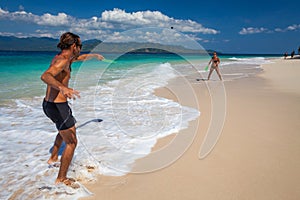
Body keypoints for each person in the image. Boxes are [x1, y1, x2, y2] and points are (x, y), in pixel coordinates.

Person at [41, 32, 104, 186]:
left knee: (65, 128)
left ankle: (53, 157)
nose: (81, 49)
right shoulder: (62, 61)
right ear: (74, 46)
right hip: (58, 106)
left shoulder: (64, 58)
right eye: (80, 46)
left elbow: (79, 58)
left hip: (50, 105)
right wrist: (62, 87)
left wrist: (94, 55)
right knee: (72, 142)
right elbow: (46, 76)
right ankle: (61, 178)